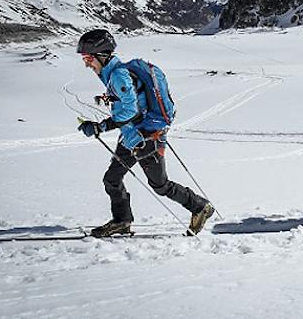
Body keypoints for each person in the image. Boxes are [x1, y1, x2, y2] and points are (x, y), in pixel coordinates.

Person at [76, 29, 213, 237]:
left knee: (161, 185)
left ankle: (200, 207)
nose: (86, 64)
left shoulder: (119, 75)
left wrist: (99, 127)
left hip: (147, 138)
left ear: (101, 55)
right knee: (112, 179)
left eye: (87, 58)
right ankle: (122, 221)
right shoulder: (114, 75)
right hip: (131, 137)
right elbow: (129, 104)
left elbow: (130, 112)